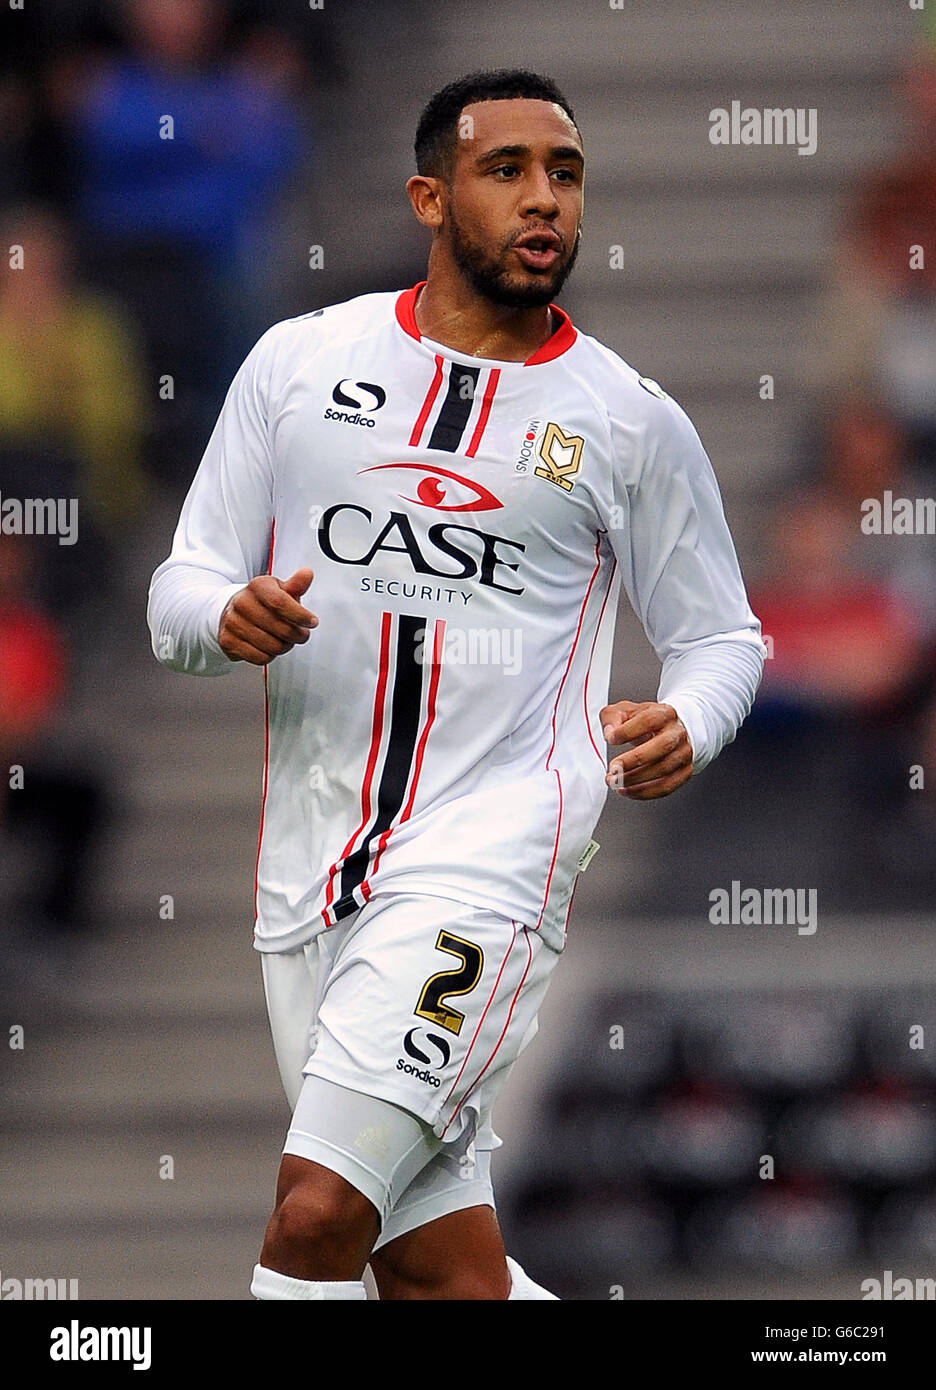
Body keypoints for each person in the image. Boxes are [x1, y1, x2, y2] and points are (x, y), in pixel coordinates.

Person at [147, 70, 766, 1301]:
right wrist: (226, 616)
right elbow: (179, 588)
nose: (546, 199)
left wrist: (686, 720)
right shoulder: (298, 362)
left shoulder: (628, 422)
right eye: (509, 170)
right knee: (436, 1275)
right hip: (313, 874)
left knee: (316, 1215)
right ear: (431, 197)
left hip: (494, 857)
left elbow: (722, 638)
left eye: (567, 174)